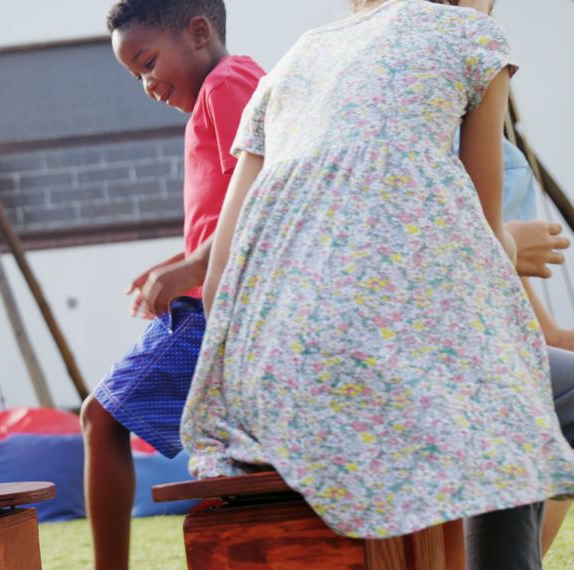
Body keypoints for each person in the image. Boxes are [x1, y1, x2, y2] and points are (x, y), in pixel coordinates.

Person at [181, 0, 574, 550]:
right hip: (377, 365)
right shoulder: (473, 38)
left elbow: (220, 280)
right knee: (523, 407)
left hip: (259, 382)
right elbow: (484, 240)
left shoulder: (292, 63)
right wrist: (513, 242)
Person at [80, 1, 264, 567]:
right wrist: (180, 261)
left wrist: (189, 270)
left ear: (200, 31)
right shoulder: (237, 86)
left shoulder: (227, 83)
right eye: (136, 75)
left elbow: (259, 198)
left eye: (148, 62)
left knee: (100, 417)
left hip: (215, 309)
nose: (146, 85)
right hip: (222, 296)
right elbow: (227, 217)